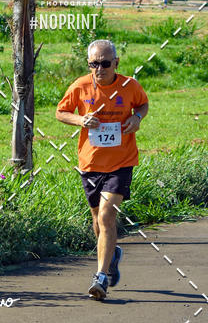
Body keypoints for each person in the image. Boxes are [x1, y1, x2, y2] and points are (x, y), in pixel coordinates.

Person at [55, 39, 149, 300]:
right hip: (90, 163)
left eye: (105, 63)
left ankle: (101, 277)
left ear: (116, 63)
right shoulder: (81, 85)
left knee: (107, 216)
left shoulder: (130, 86)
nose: (99, 69)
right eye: (94, 64)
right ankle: (112, 256)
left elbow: (143, 104)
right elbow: (61, 112)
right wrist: (81, 120)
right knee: (97, 221)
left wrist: (137, 118)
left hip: (121, 163)